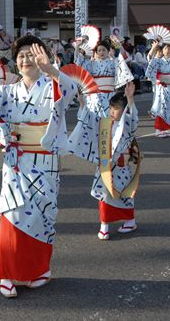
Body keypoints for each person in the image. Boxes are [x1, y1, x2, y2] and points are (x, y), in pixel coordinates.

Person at [0, 35, 78, 298]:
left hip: (46, 161)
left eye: (31, 54)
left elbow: (71, 91)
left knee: (43, 216)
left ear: (42, 57)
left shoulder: (51, 83)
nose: (26, 60)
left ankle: (38, 270)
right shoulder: (8, 91)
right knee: (12, 215)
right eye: (21, 56)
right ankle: (7, 274)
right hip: (17, 163)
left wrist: (51, 70)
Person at [69, 83, 140, 240]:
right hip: (106, 165)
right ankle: (104, 226)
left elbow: (133, 118)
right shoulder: (106, 123)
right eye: (111, 108)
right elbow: (90, 120)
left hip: (121, 166)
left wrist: (130, 99)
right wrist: (82, 102)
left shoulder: (127, 124)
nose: (112, 111)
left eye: (116, 109)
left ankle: (130, 221)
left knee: (124, 195)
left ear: (124, 110)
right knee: (104, 194)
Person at [74, 39, 133, 117]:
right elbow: (79, 62)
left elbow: (124, 59)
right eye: (99, 50)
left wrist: (119, 45)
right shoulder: (91, 64)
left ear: (108, 51)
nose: (101, 52)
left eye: (104, 50)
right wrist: (77, 46)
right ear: (96, 52)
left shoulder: (113, 62)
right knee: (95, 118)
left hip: (110, 94)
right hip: (95, 96)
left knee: (110, 117)